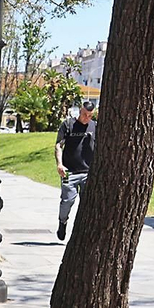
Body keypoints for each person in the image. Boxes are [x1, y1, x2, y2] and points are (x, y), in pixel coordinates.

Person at [54, 100, 96, 241]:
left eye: (90, 116)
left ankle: (82, 232)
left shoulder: (94, 127)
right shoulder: (68, 124)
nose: (86, 118)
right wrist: (60, 164)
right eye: (84, 114)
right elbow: (59, 145)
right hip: (69, 172)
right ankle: (62, 222)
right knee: (67, 201)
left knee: (87, 204)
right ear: (80, 111)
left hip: (88, 172)